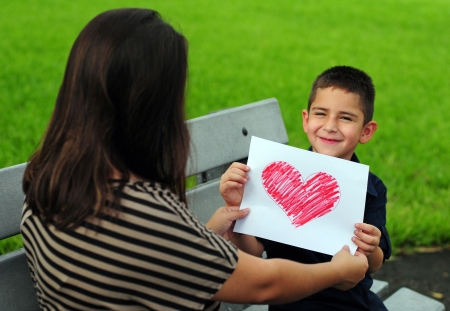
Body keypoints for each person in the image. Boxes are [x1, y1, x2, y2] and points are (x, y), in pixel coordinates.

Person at [20, 9, 368, 311]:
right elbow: (265, 284)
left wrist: (202, 238)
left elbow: (130, 260)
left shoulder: (49, 174)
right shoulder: (139, 210)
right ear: (151, 105)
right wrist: (337, 271)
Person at [221, 66, 392, 310]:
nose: (330, 126)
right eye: (321, 113)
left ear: (366, 131)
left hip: (351, 304)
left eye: (345, 118)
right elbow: (252, 250)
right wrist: (236, 208)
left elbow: (375, 262)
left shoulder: (370, 188)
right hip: (291, 302)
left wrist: (372, 247)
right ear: (306, 119)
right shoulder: (277, 178)